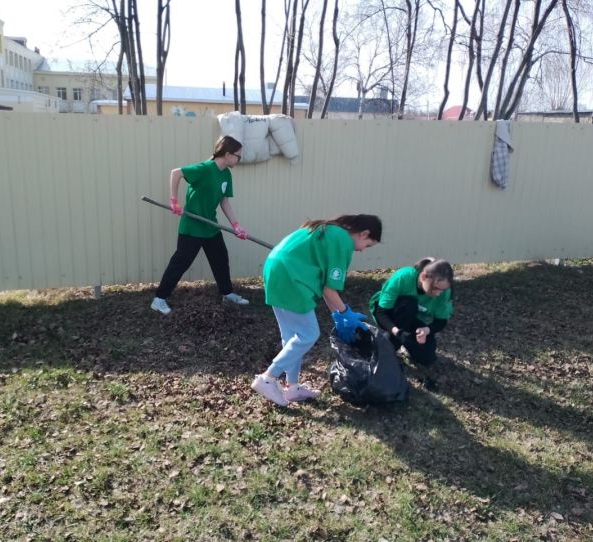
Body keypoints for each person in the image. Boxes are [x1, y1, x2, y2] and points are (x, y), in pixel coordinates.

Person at [252, 214, 383, 406]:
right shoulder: (343, 241)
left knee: (292, 337)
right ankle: (267, 378)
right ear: (364, 234)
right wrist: (345, 313)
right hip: (291, 277)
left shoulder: (331, 231)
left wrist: (337, 315)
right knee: (308, 334)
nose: (363, 250)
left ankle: (292, 387)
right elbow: (330, 289)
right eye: (368, 245)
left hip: (277, 270)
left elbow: (324, 287)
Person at [151, 135, 250, 315]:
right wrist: (174, 200)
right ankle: (159, 299)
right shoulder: (205, 169)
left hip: (210, 226)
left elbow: (224, 201)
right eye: (238, 156)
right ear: (227, 154)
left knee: (220, 258)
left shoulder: (226, 174)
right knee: (180, 262)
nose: (238, 159)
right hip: (192, 226)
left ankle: (227, 293)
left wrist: (236, 225)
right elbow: (176, 173)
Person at [369, 258, 454, 369]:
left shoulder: (444, 291)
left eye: (443, 290)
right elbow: (381, 313)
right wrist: (397, 332)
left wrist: (426, 330)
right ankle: (389, 344)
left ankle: (404, 342)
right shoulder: (403, 277)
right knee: (410, 304)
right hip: (393, 315)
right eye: (436, 289)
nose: (439, 293)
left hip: (415, 319)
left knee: (427, 358)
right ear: (424, 277)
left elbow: (441, 321)